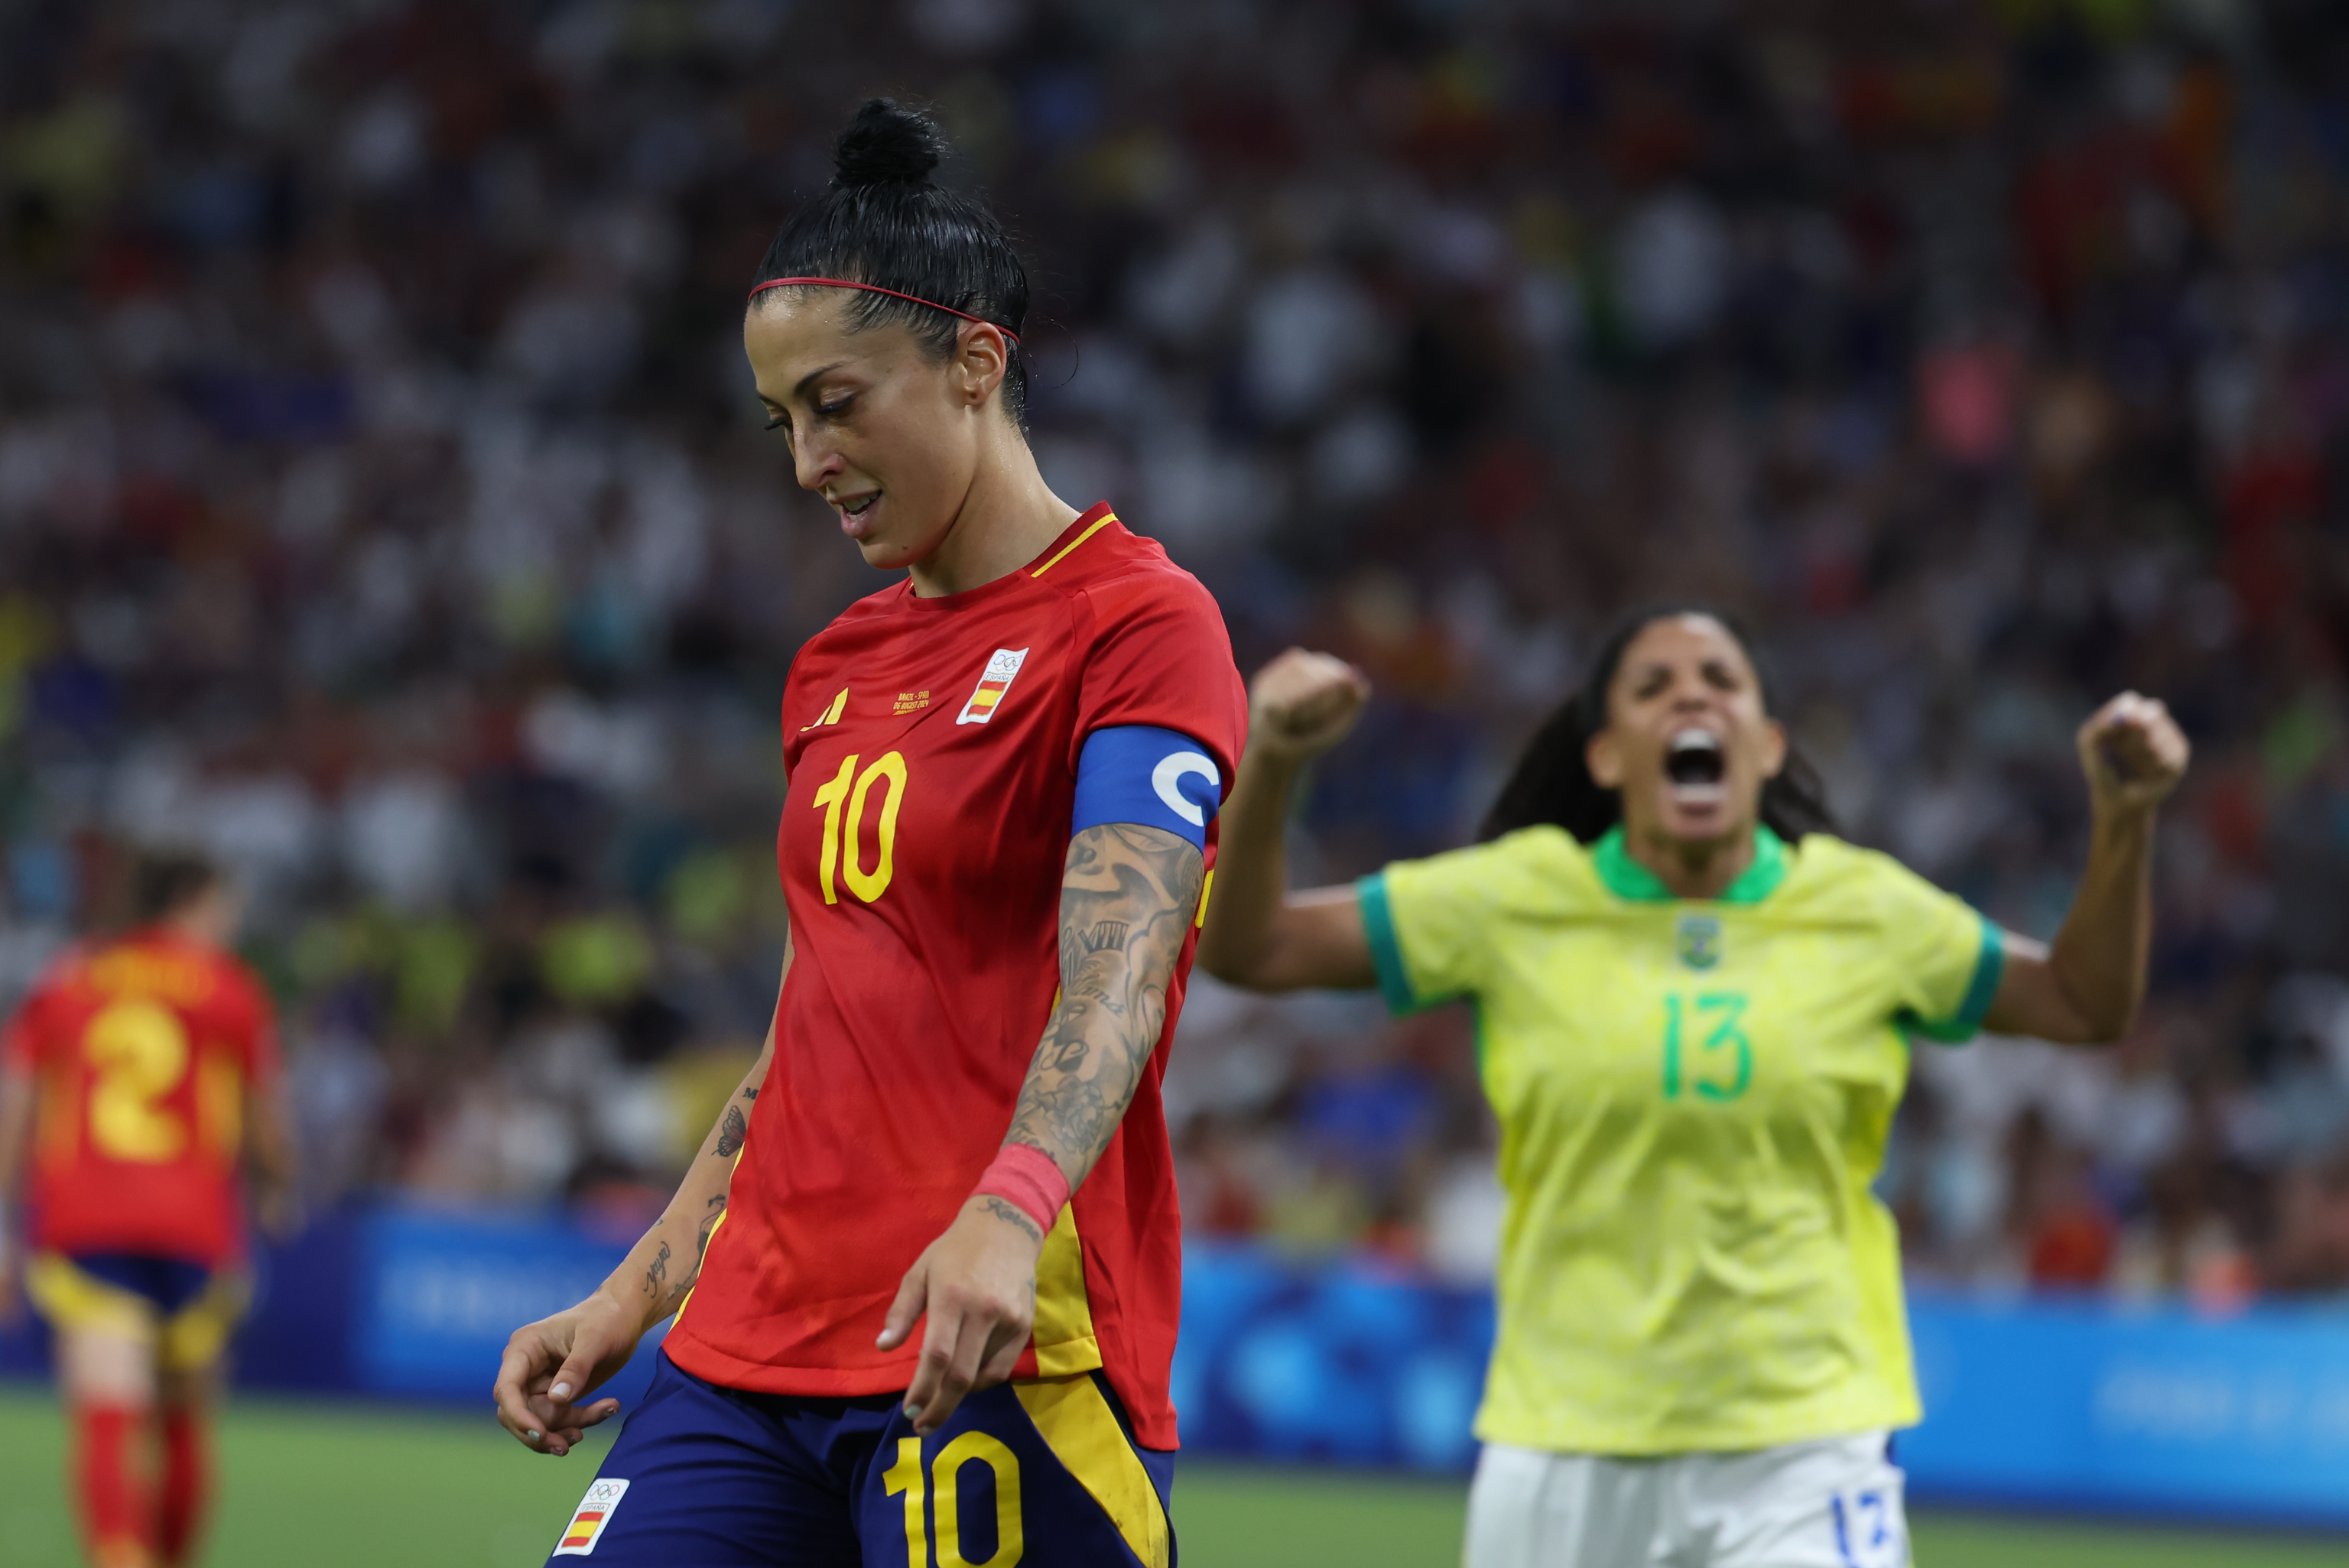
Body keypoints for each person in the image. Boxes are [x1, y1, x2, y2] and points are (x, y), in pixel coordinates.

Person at [492, 99, 1246, 1568]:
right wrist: (636, 1289)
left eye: (836, 405)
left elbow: (1123, 971)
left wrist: (1007, 1216)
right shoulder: (835, 664)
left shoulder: (1141, 624)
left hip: (988, 1343)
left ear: (975, 363)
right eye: (781, 422)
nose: (806, 463)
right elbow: (811, 1022)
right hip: (738, 1352)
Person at [1197, 608, 2189, 1568]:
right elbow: (1254, 945)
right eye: (1653, 684)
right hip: (1565, 1436)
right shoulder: (1511, 897)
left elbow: (2080, 1001)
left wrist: (2125, 821)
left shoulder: (1865, 908)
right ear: (1605, 755)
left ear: (1764, 745)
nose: (1690, 697)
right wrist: (1274, 760)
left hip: (1806, 1431)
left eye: (1721, 681)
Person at [0, 848, 297, 1568]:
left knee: (107, 1410)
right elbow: (266, 1118)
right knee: (185, 1420)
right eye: (226, 907)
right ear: (195, 901)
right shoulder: (229, 988)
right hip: (194, 1224)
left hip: (87, 1217)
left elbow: (17, 1097)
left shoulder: (71, 978)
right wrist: (278, 1187)